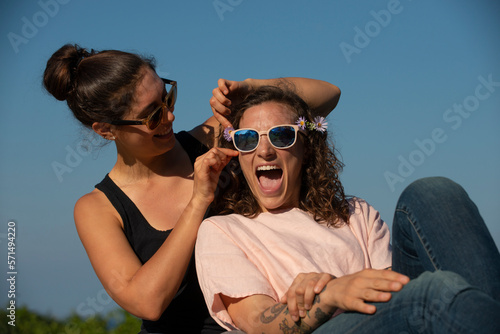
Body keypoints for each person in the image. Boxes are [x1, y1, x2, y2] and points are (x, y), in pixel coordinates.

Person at [42, 44, 341, 334]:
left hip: (267, 320)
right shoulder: (97, 208)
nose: (170, 117)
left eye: (167, 98)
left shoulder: (209, 138)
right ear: (106, 130)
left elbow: (327, 96)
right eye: (152, 116)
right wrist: (198, 201)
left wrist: (253, 90)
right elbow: (147, 302)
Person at [195, 86, 500, 333]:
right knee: (435, 290)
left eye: (282, 135)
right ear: (237, 153)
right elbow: (259, 324)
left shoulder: (355, 213)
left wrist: (249, 85)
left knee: (433, 191)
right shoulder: (223, 230)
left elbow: (393, 296)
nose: (264, 150)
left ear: (306, 146)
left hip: (380, 320)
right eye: (247, 139)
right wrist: (330, 295)